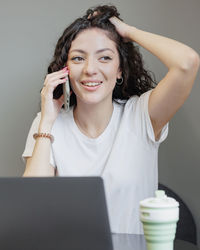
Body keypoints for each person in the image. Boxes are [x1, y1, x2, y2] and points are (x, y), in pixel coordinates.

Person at [22, 5, 199, 234]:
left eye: (104, 57)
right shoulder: (46, 123)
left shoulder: (141, 114)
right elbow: (31, 204)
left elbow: (187, 63)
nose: (90, 69)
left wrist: (129, 31)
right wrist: (46, 122)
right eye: (78, 58)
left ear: (120, 70)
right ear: (65, 69)